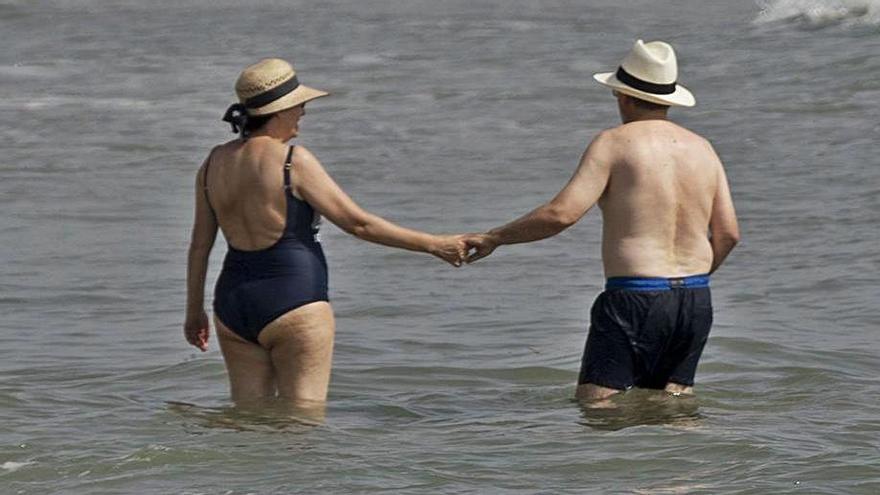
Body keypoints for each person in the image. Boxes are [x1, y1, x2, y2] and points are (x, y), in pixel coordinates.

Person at [463, 40, 740, 401]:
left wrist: (494, 237)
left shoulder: (614, 143)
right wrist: (684, 282)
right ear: (669, 99)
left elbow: (561, 214)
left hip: (635, 296)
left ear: (623, 97)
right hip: (695, 298)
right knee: (674, 410)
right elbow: (729, 234)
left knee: (597, 409)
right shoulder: (703, 148)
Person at [184, 58, 467, 409]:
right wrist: (435, 244)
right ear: (282, 109)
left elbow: (200, 245)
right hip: (294, 301)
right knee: (303, 424)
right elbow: (357, 223)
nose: (303, 112)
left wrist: (193, 311)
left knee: (247, 424)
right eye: (300, 104)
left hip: (231, 305)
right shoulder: (292, 160)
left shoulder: (213, 163)